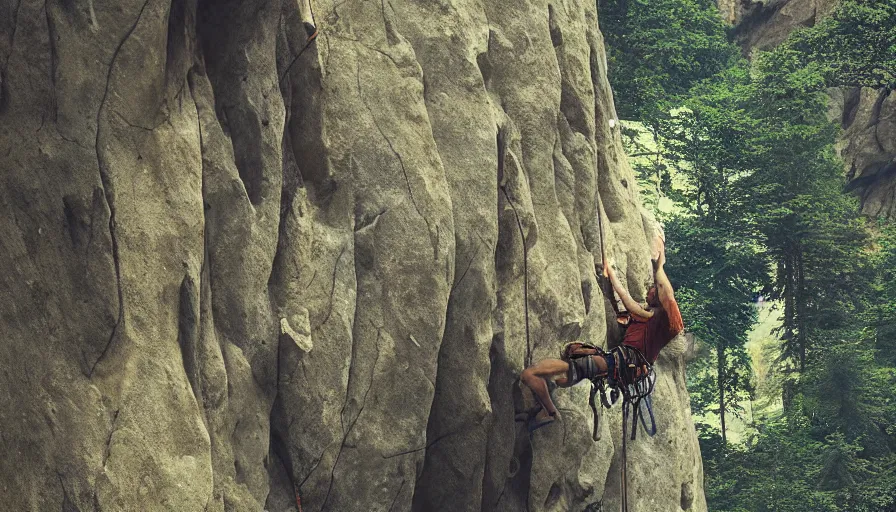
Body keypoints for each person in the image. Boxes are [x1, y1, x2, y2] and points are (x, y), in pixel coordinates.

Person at [519, 236, 684, 432]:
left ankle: (550, 411)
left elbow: (657, 294)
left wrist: (659, 266)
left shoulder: (660, 319)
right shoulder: (646, 317)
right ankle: (547, 399)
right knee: (569, 370)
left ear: (657, 297)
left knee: (538, 372)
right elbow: (625, 300)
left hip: (621, 363)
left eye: (652, 289)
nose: (649, 290)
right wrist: (610, 273)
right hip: (622, 366)